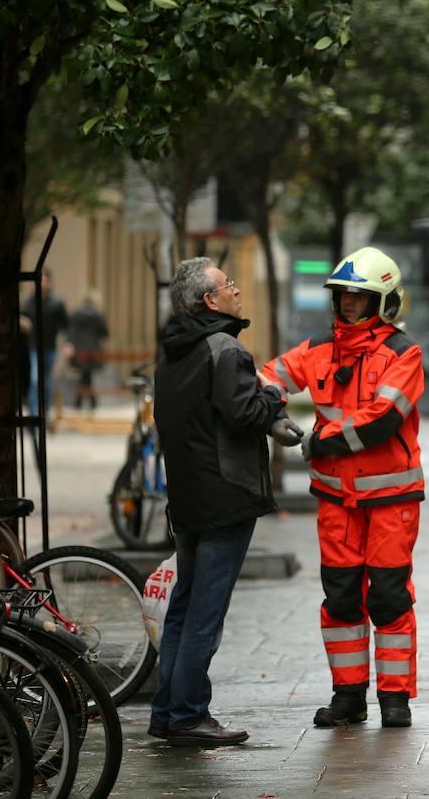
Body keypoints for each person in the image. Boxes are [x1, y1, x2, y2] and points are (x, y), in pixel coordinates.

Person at [261, 247, 425, 729]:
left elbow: (382, 418)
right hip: (337, 500)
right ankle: (348, 697)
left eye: (360, 295)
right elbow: (266, 376)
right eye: (343, 294)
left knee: (389, 599)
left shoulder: (404, 353)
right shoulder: (319, 350)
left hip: (391, 500)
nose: (348, 302)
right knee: (341, 600)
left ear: (383, 302)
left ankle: (395, 698)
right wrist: (272, 412)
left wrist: (318, 441)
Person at [149, 257, 288, 747]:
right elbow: (244, 414)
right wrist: (275, 397)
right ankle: (189, 715)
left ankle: (167, 712)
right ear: (210, 300)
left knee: (183, 607)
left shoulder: (172, 351)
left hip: (187, 496)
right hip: (226, 496)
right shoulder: (224, 349)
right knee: (205, 612)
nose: (236, 290)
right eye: (228, 284)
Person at [22, 268, 69, 418]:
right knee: (35, 379)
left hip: (50, 347)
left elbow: (66, 325)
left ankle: (45, 412)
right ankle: (34, 413)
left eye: (44, 280)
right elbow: (21, 319)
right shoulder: (28, 302)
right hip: (33, 346)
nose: (41, 283)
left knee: (47, 381)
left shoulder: (57, 303)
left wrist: (67, 344)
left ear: (49, 283)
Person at [65, 290, 109, 411]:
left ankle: (81, 401)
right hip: (92, 350)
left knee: (85, 375)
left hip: (79, 350)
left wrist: (70, 344)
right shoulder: (98, 315)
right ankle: (88, 401)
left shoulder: (76, 314)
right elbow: (105, 333)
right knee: (86, 375)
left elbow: (71, 332)